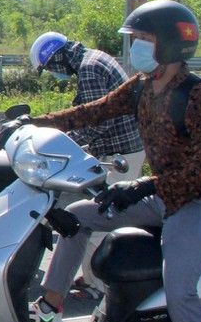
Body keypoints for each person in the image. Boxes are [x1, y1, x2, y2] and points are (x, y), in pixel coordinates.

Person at [25, 1, 201, 322]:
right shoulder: (142, 88)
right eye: (134, 40)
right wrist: (30, 123)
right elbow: (90, 112)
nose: (134, 48)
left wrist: (139, 188)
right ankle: (50, 309)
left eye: (143, 41)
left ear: (169, 44)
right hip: (160, 196)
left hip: (199, 204)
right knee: (77, 217)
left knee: (181, 290)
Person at [30, 31, 147, 293]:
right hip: (123, 150)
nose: (54, 74)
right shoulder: (94, 59)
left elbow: (96, 119)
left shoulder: (89, 69)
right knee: (100, 215)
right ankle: (92, 280)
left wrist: (61, 144)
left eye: (50, 68)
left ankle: (106, 287)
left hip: (120, 154)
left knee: (99, 221)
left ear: (57, 58)